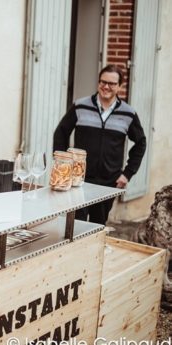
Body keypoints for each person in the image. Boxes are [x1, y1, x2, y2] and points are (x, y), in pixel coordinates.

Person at [53, 64, 146, 225]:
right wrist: (63, 166)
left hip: (109, 181)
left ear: (120, 86)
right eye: (103, 82)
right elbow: (61, 133)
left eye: (112, 83)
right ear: (98, 83)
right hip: (78, 180)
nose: (106, 86)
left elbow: (140, 142)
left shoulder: (128, 113)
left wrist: (128, 173)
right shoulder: (80, 106)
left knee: (98, 225)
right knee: (76, 225)